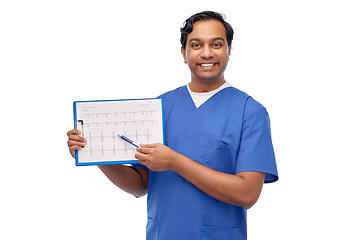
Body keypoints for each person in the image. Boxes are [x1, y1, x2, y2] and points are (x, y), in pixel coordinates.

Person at [67, 11, 278, 240]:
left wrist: (174, 161)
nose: (207, 53)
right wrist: (93, 153)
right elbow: (141, 184)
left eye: (217, 44)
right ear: (184, 53)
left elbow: (247, 194)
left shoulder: (250, 112)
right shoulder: (160, 107)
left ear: (229, 51)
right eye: (196, 45)